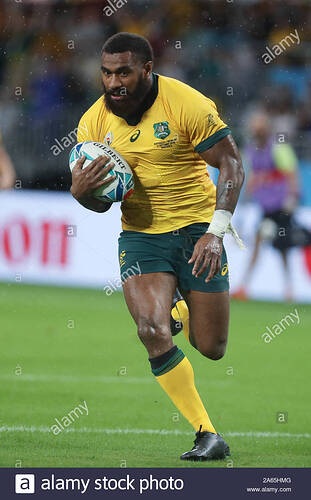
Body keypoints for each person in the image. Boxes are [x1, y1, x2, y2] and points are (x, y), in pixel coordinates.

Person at [70, 32, 244, 461]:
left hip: (197, 231)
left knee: (211, 348)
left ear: (147, 70)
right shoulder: (93, 123)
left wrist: (216, 231)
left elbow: (232, 164)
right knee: (150, 329)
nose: (114, 83)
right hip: (141, 236)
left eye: (124, 72)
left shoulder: (187, 104)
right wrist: (81, 193)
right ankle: (207, 434)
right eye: (107, 73)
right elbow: (98, 204)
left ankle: (181, 310)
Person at [233, 111, 300, 302]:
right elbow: (254, 177)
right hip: (266, 207)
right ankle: (248, 286)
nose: (255, 130)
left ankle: (286, 289)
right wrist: (246, 200)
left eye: (258, 127)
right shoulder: (251, 150)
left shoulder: (278, 148)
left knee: (282, 247)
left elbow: (291, 173)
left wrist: (292, 198)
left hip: (281, 205)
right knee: (267, 244)